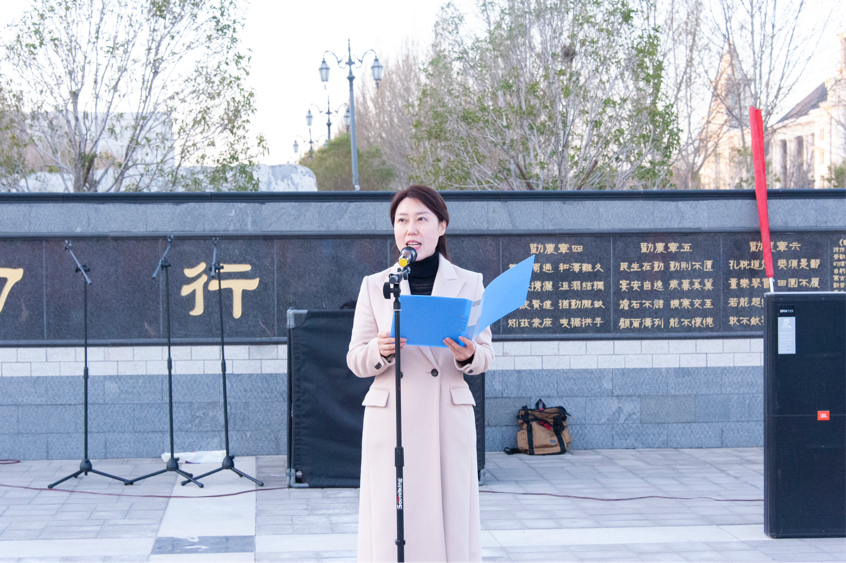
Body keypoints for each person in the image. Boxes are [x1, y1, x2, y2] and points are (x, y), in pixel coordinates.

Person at [347, 185, 494, 563]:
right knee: (391, 519)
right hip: (392, 418)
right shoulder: (376, 284)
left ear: (442, 226)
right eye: (402, 220)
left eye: (421, 219)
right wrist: (379, 351)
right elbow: (355, 359)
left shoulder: (470, 282)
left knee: (449, 514)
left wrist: (468, 355)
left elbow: (485, 355)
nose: (410, 228)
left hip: (446, 416)